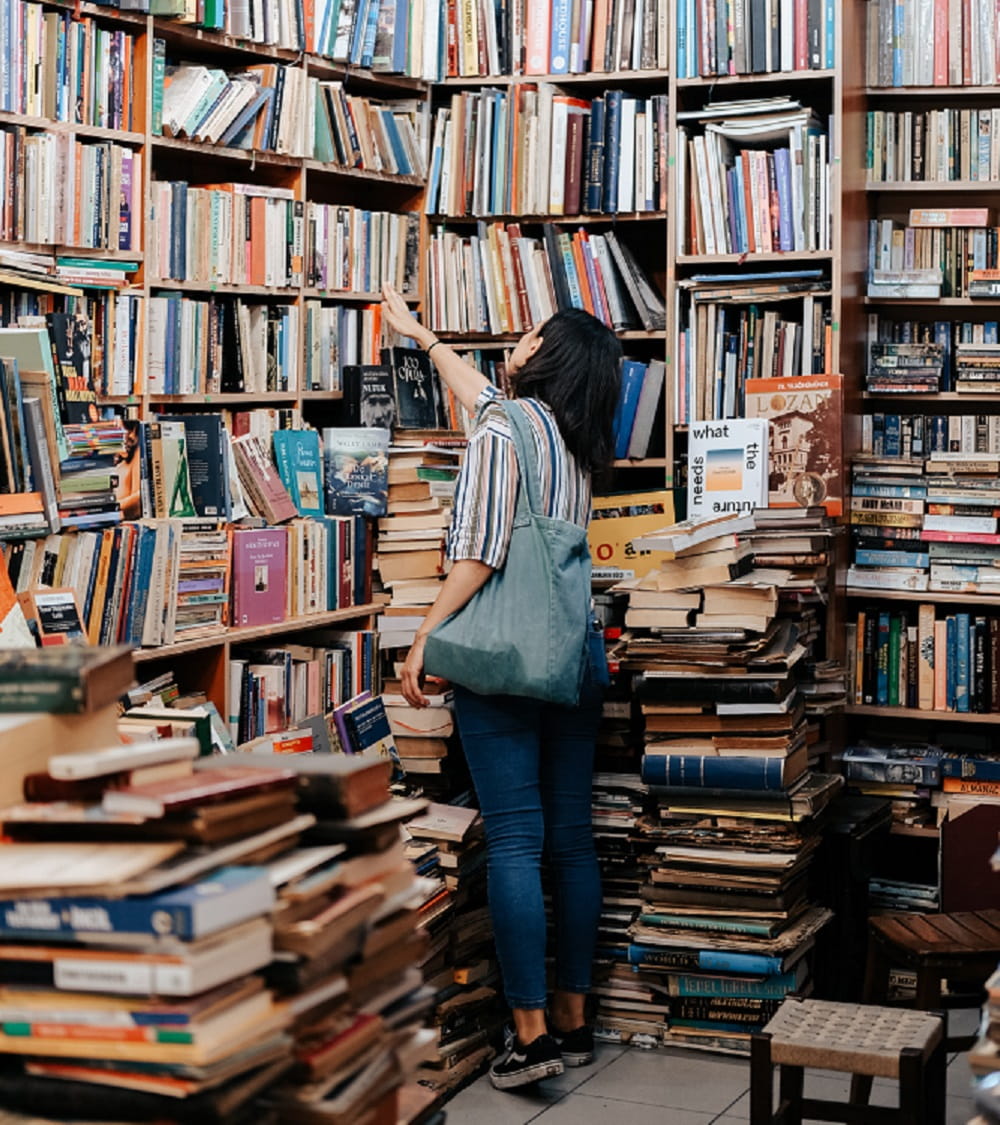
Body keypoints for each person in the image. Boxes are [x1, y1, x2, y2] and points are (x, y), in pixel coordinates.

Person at [380, 283, 622, 1090]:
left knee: (515, 838)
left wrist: (424, 635)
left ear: (543, 358)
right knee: (571, 838)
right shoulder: (568, 438)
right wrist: (419, 333)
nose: (515, 340)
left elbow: (478, 552)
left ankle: (528, 1035)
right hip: (573, 658)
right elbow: (475, 385)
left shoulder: (497, 435)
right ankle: (573, 1017)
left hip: (507, 660)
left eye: (529, 334)